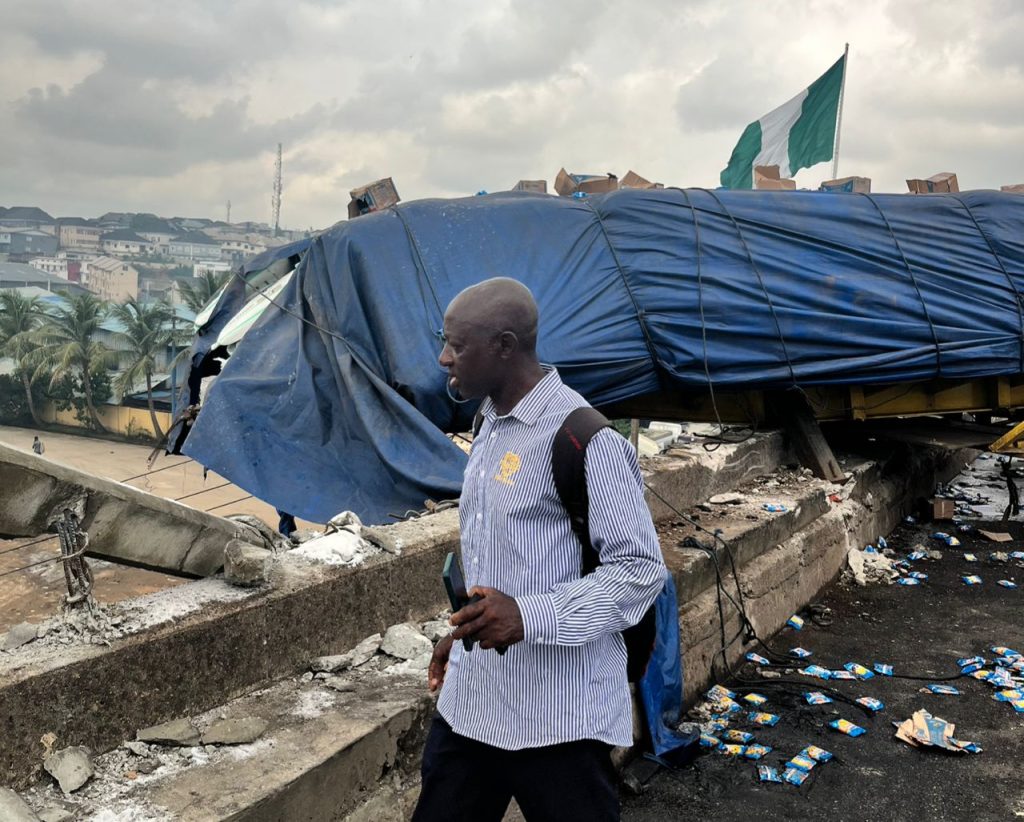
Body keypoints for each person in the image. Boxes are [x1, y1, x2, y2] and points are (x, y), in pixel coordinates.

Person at [412, 278, 666, 822]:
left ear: (504, 346)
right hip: (473, 705)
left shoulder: (586, 440)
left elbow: (640, 570)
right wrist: (463, 634)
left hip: (558, 719)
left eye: (457, 345)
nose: (443, 358)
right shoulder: (487, 423)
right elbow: (502, 557)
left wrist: (529, 616)